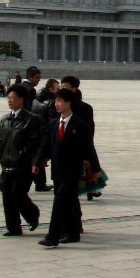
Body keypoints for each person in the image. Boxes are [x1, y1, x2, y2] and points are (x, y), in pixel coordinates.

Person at [34, 89, 100, 247]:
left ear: (69, 103)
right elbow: (45, 145)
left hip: (72, 170)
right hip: (57, 170)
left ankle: (53, 236)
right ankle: (73, 233)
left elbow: (89, 147)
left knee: (59, 201)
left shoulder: (80, 125)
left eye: (60, 101)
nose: (56, 104)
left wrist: (95, 168)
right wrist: (37, 162)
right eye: (55, 101)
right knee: (69, 201)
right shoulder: (53, 123)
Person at [0, 85, 41, 237]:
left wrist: (22, 155)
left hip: (22, 165)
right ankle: (13, 228)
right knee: (7, 196)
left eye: (13, 98)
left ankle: (32, 214)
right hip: (6, 164)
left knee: (18, 194)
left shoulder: (31, 119)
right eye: (8, 98)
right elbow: (0, 138)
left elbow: (33, 142)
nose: (10, 101)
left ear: (21, 100)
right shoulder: (5, 119)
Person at [60, 75, 102, 200]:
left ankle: (91, 189)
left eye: (65, 87)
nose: (62, 89)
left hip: (81, 142)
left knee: (87, 166)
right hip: (63, 143)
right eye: (61, 86)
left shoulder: (84, 108)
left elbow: (89, 129)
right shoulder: (57, 105)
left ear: (74, 89)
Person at [32, 78, 60, 192]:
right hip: (45, 134)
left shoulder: (35, 100)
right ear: (50, 89)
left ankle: (40, 183)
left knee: (38, 158)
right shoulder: (50, 103)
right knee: (49, 159)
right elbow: (52, 122)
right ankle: (52, 182)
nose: (59, 91)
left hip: (35, 133)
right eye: (57, 89)